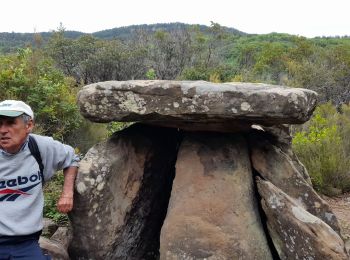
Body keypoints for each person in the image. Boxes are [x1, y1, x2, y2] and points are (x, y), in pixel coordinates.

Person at [0, 100, 79, 259]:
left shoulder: (40, 146)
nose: (3, 130)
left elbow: (71, 158)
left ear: (29, 125)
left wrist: (67, 193)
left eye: (10, 123)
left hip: (26, 242)